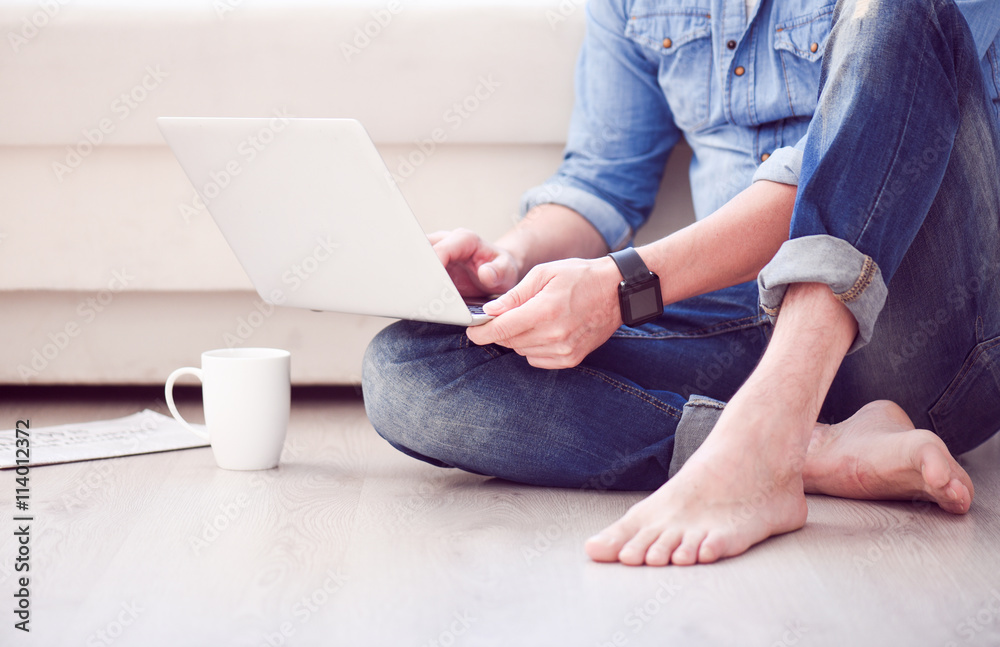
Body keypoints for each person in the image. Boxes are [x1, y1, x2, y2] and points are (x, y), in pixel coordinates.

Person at [362, 0, 1000, 566]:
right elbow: (601, 180)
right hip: (735, 323)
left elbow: (842, 164)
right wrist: (508, 261)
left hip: (922, 326)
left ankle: (766, 431)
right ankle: (812, 451)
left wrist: (627, 284)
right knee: (408, 365)